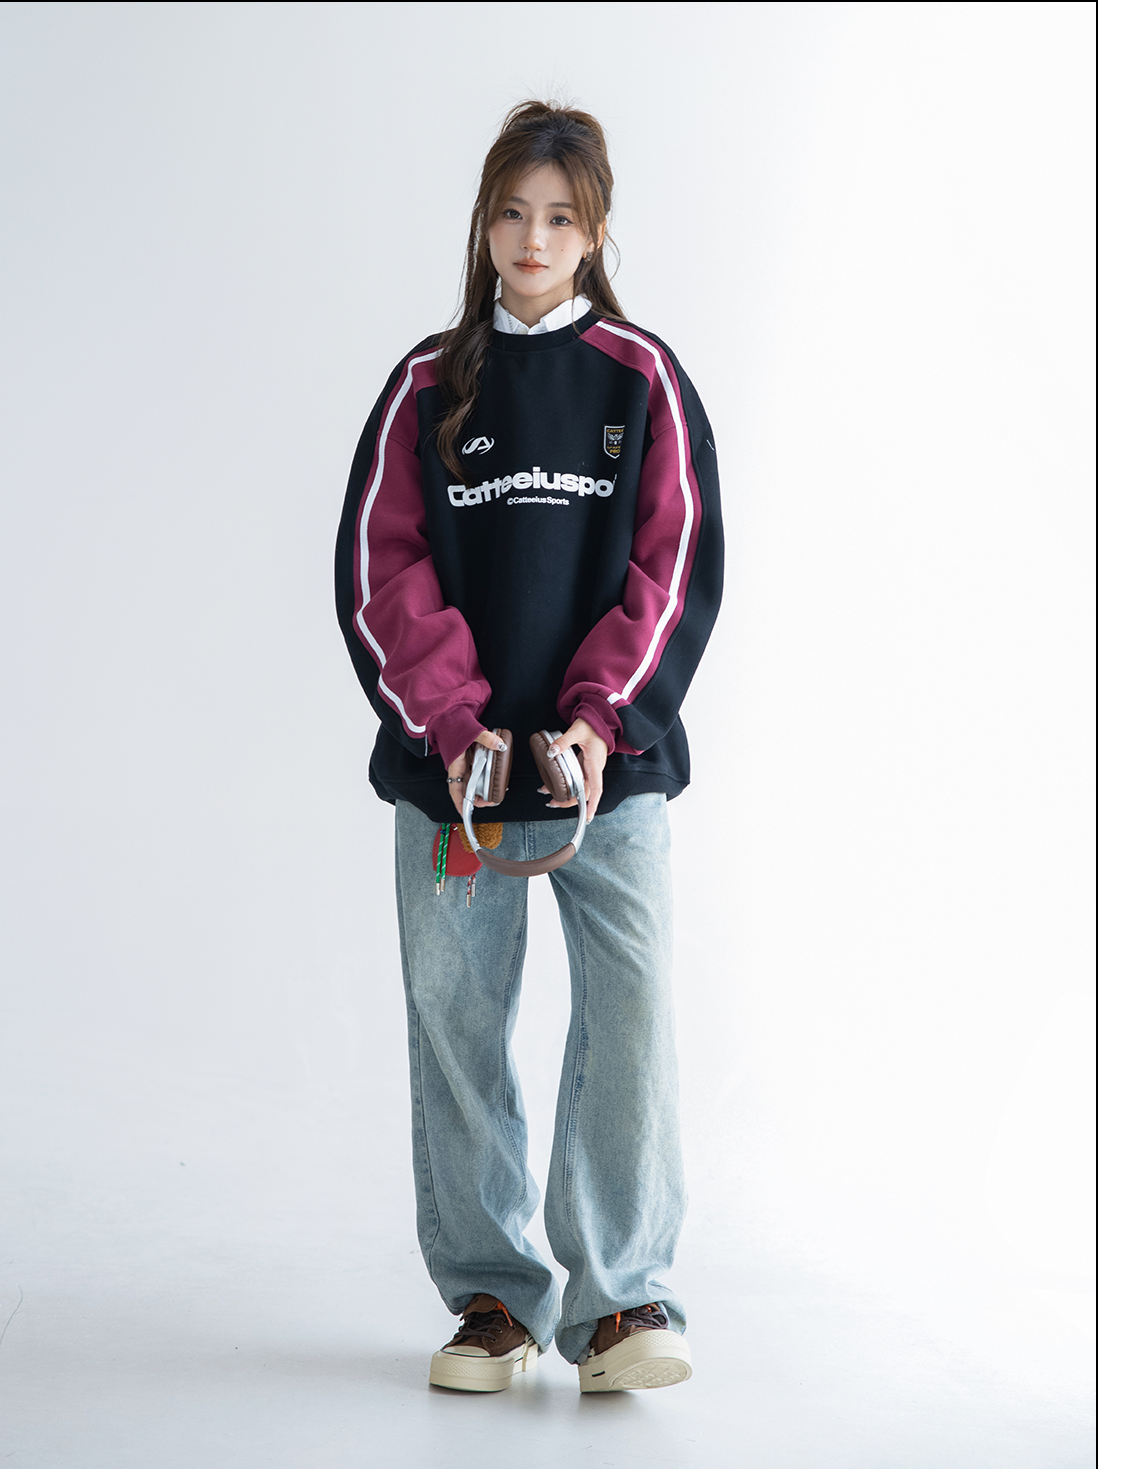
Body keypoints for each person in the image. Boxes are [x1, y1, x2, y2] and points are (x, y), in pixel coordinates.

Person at [335, 100, 723, 1393]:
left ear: (595, 230)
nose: (533, 238)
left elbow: (672, 564)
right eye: (512, 212)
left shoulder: (640, 377)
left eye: (559, 216)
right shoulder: (427, 386)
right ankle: (493, 1298)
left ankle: (618, 1301)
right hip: (458, 780)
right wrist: (454, 729)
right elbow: (382, 572)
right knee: (458, 1020)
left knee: (632, 1010)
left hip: (607, 773)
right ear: (484, 224)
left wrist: (599, 721)